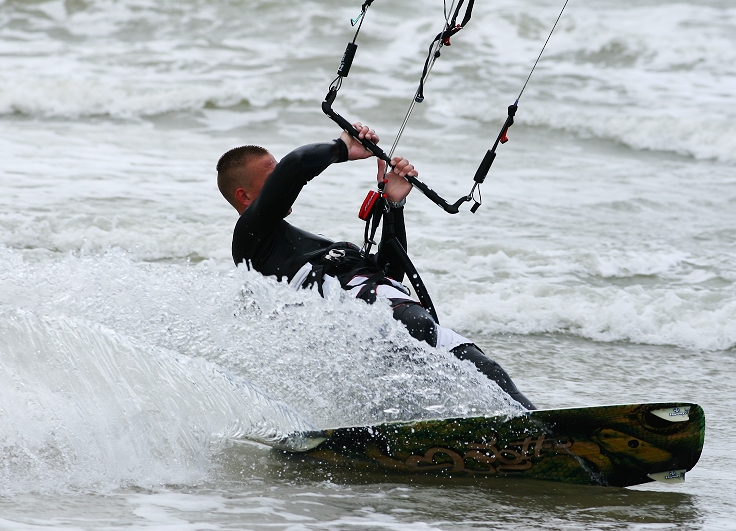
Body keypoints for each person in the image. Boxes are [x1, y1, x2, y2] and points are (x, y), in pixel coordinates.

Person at [216, 123, 535, 410]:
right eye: (272, 178)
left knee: (491, 376)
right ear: (244, 195)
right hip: (370, 333)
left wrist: (394, 204)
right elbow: (296, 167)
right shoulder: (251, 239)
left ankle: (552, 438)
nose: (283, 185)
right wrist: (340, 148)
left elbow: (389, 275)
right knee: (443, 357)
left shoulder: (307, 243)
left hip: (394, 318)